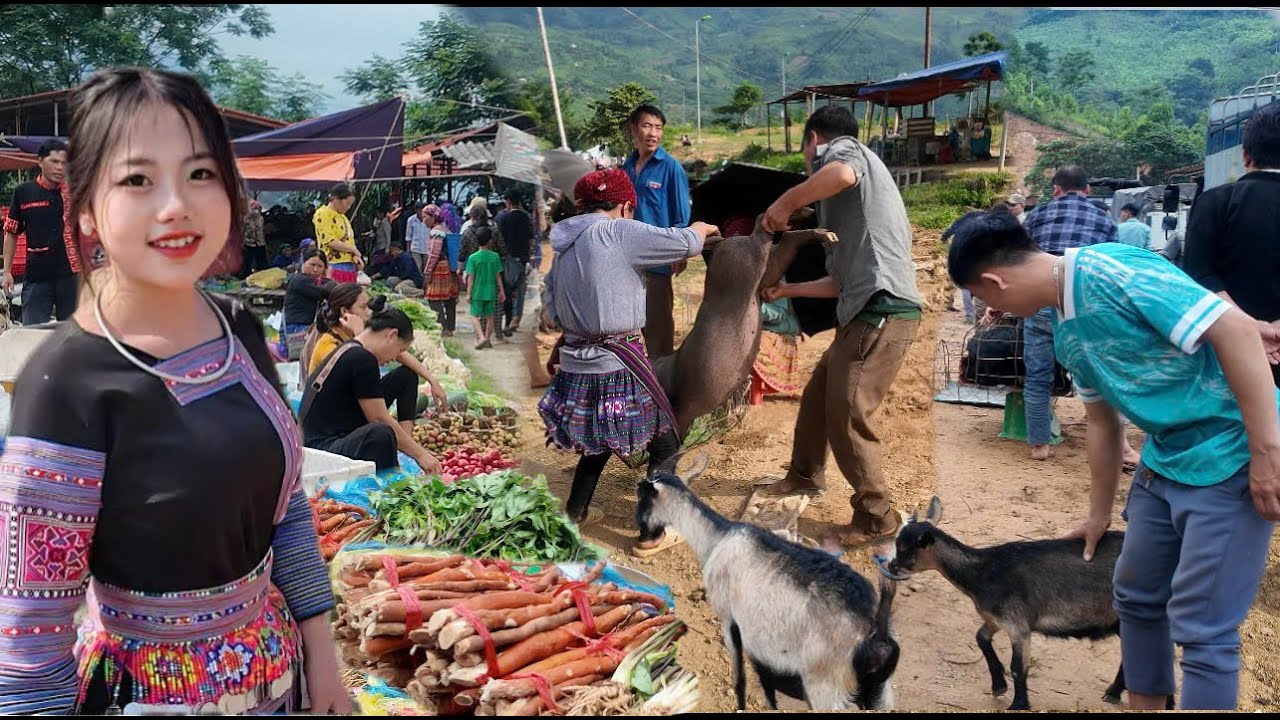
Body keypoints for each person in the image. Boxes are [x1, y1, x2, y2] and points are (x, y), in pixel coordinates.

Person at [0, 67, 347, 714]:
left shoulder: (237, 328)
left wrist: (322, 657)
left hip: (277, 679)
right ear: (86, 208)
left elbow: (286, 506)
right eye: (137, 179)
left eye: (200, 173)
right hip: (147, 696)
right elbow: (30, 637)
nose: (176, 205)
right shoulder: (67, 380)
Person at [946, 208, 1280, 711]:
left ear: (994, 282)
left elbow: (1235, 330)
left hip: (1232, 451)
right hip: (1165, 460)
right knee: (1136, 599)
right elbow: (1102, 423)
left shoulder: (1111, 270)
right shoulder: (1066, 331)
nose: (993, 309)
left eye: (984, 298)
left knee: (1203, 627)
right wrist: (1098, 515)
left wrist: (1267, 454)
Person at [758, 105, 924, 549]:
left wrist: (785, 202)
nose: (808, 162)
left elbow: (842, 173)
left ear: (814, 140)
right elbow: (839, 283)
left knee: (848, 413)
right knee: (819, 396)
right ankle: (804, 474)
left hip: (882, 310)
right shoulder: (843, 209)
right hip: (864, 309)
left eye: (806, 153)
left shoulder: (846, 153)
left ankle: (877, 517)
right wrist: (786, 291)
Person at [538, 168, 719, 556]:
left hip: (577, 366)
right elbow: (685, 243)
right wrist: (702, 228)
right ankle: (652, 531)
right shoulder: (618, 231)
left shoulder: (563, 245)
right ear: (625, 206)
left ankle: (575, 511)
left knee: (601, 432)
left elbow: (550, 309)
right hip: (618, 368)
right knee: (665, 439)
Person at [1016, 165, 1119, 462]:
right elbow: (1111, 266)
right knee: (1099, 372)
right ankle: (1108, 437)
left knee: (1037, 375)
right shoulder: (1104, 218)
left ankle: (1039, 445)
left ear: (1056, 190)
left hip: (1042, 300)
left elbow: (1019, 259)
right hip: (1083, 304)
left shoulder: (1037, 215)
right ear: (1087, 190)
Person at [1184, 101, 1280, 388]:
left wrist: (1251, 328)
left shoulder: (1213, 202)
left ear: (1246, 156)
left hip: (1227, 356)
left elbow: (1199, 277)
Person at [300, 305, 442, 474]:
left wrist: (412, 448)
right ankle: (393, 484)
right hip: (323, 449)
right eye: (400, 349)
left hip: (341, 427)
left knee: (407, 375)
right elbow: (378, 418)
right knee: (381, 433)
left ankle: (406, 441)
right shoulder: (362, 359)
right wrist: (421, 455)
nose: (396, 357)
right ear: (391, 335)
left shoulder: (354, 349)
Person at [301, 283, 447, 412]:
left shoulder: (352, 333)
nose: (369, 312)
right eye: (363, 307)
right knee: (380, 424)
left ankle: (404, 429)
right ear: (345, 312)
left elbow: (400, 353)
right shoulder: (329, 345)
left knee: (407, 375)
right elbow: (362, 367)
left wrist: (432, 381)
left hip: (351, 401)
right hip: (336, 413)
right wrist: (359, 334)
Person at [621, 104, 691, 360]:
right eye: (647, 126)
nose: (653, 133)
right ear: (633, 128)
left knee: (658, 330)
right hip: (626, 263)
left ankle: (660, 381)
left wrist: (680, 251)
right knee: (628, 329)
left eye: (658, 128)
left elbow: (681, 217)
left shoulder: (671, 168)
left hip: (657, 263)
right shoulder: (626, 168)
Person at [3, 138, 81, 325]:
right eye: (54, 161)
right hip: (37, 277)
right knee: (32, 331)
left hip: (71, 277)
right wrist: (7, 271)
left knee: (71, 334)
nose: (59, 167)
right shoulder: (24, 193)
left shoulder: (75, 194)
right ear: (39, 161)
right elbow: (11, 233)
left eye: (63, 163)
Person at [280, 248, 335, 361]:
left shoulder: (311, 281)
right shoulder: (299, 281)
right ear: (303, 262)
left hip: (306, 326)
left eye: (320, 266)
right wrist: (328, 277)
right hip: (296, 329)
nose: (315, 269)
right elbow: (326, 291)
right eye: (312, 264)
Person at [495, 189, 534, 336]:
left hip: (506, 259)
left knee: (507, 290)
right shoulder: (526, 218)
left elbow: (498, 238)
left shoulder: (502, 218)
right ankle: (517, 317)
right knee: (520, 289)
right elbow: (530, 239)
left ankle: (508, 319)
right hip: (522, 259)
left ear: (509, 201)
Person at [464, 227, 505, 350]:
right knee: (490, 316)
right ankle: (487, 338)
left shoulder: (473, 258)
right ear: (490, 241)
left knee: (474, 315)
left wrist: (468, 293)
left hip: (477, 291)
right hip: (491, 291)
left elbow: (471, 277)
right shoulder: (495, 256)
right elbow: (498, 276)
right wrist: (502, 291)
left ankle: (481, 337)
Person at [313, 182, 364, 283]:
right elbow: (330, 241)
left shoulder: (343, 218)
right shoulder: (322, 213)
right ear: (336, 199)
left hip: (349, 265)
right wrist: (353, 249)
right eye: (347, 203)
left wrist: (355, 256)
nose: (348, 207)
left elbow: (350, 240)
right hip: (333, 264)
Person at [421, 205, 458, 337]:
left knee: (434, 298)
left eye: (425, 217)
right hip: (450, 267)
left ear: (433, 217)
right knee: (449, 298)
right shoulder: (446, 229)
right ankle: (450, 326)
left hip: (440, 267)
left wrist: (427, 271)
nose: (424, 220)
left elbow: (434, 254)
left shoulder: (436, 232)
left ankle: (443, 327)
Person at [459, 201, 506, 270]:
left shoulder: (467, 233)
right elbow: (503, 250)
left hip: (474, 268)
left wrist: (460, 269)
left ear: (472, 217)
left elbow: (462, 254)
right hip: (493, 267)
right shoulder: (495, 231)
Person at [241, 199, 268, 273]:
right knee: (248, 262)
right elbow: (242, 230)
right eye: (254, 209)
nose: (255, 211)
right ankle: (245, 274)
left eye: (257, 209)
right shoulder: (246, 219)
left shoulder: (261, 218)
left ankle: (262, 273)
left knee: (262, 261)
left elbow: (262, 230)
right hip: (249, 243)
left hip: (260, 243)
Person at [406, 202, 431, 273]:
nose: (420, 213)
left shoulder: (428, 219)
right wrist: (408, 250)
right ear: (415, 210)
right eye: (418, 210)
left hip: (427, 247)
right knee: (417, 267)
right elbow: (408, 235)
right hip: (416, 247)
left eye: (422, 210)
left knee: (427, 268)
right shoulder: (411, 220)